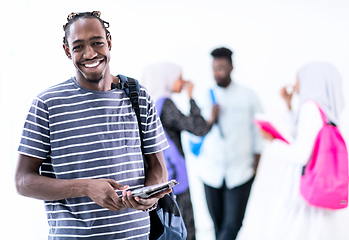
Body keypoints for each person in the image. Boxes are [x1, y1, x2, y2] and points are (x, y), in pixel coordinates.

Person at [15, 11, 171, 240]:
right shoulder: (47, 105)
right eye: (78, 46)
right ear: (67, 50)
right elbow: (23, 181)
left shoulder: (139, 97)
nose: (90, 54)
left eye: (97, 42)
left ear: (109, 41)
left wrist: (150, 195)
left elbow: (158, 168)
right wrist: (86, 187)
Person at [255, 62, 345, 240]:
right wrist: (289, 105)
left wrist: (272, 142)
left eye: (298, 80)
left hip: (300, 189)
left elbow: (301, 154)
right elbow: (301, 137)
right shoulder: (327, 111)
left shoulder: (310, 107)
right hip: (318, 186)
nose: (295, 86)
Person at [141, 62, 219, 240]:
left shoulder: (148, 103)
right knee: (184, 228)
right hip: (174, 179)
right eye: (179, 77)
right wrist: (192, 98)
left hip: (157, 178)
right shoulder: (165, 104)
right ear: (166, 79)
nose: (183, 82)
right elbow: (198, 128)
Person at [196, 47, 263, 240]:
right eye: (215, 68)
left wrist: (256, 164)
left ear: (231, 67)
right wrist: (211, 119)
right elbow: (194, 132)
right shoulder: (203, 97)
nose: (218, 72)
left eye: (222, 68)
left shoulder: (248, 96)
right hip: (210, 172)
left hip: (241, 172)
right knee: (218, 227)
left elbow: (259, 130)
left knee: (233, 225)